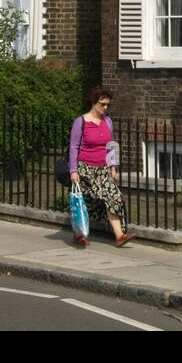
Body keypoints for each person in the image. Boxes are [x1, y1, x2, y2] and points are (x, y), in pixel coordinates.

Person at [68, 86, 133, 247]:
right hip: (85, 169)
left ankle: (120, 236)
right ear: (93, 102)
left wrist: (113, 166)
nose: (105, 108)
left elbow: (110, 145)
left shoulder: (108, 121)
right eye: (102, 104)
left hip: (103, 169)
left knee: (114, 197)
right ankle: (79, 234)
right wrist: (73, 170)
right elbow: (74, 146)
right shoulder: (81, 122)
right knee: (86, 203)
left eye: (107, 105)